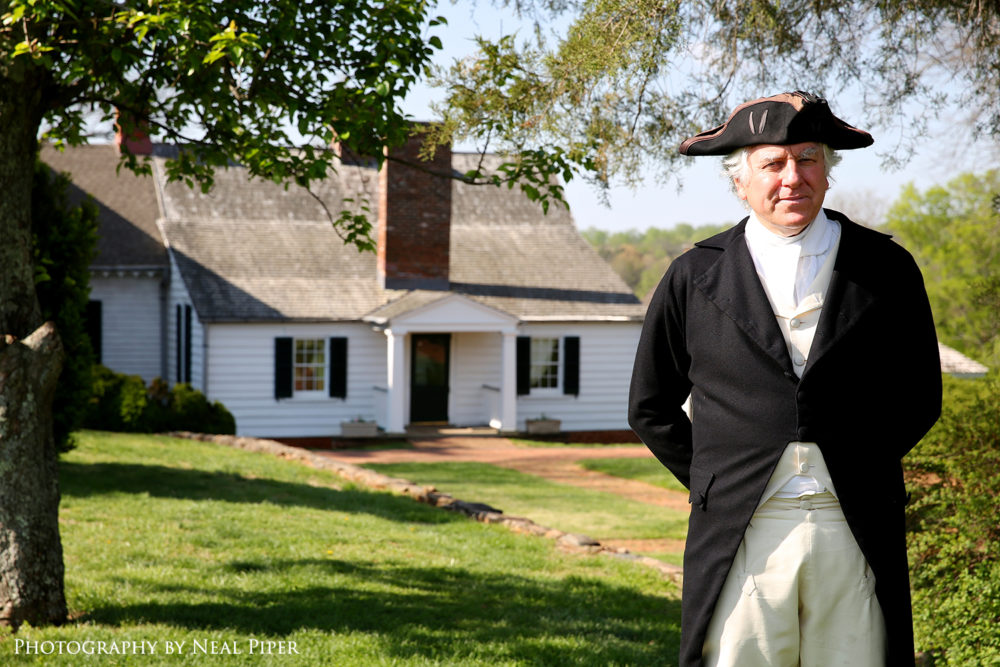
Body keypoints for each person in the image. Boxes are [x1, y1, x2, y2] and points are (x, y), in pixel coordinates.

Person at [628, 91, 942, 667]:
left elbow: (919, 394)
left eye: (808, 159)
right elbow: (651, 405)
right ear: (740, 181)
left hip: (853, 522)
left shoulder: (886, 268)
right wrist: (716, 480)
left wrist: (860, 460)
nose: (791, 177)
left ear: (828, 171)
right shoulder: (693, 275)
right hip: (744, 528)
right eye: (772, 163)